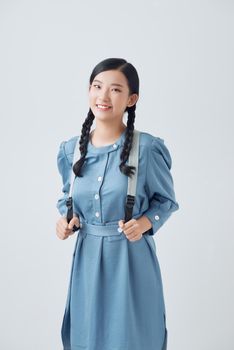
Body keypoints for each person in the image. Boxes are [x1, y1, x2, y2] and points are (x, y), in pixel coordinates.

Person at [55, 57, 179, 350]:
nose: (103, 96)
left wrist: (145, 223)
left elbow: (167, 202)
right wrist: (66, 220)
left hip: (131, 260)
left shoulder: (146, 148)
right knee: (88, 336)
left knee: (133, 337)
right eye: (97, 86)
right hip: (87, 260)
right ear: (88, 91)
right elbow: (67, 196)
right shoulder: (71, 150)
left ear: (131, 99)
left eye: (115, 90)